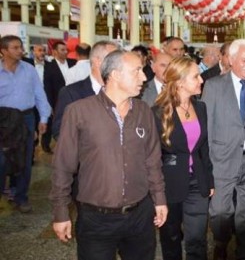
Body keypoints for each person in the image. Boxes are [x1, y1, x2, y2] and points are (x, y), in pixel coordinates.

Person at [50, 50, 168, 260]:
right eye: (137, 71)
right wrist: (60, 212)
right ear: (115, 74)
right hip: (96, 219)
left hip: (140, 215)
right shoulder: (79, 111)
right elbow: (63, 166)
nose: (144, 77)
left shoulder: (143, 111)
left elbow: (152, 161)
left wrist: (159, 199)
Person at [201, 39, 245, 260]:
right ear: (230, 60)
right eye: (244, 60)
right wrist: (208, 159)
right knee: (221, 210)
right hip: (221, 158)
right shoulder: (213, 86)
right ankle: (221, 242)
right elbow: (207, 125)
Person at [152, 57, 215, 260]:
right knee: (170, 239)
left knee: (197, 239)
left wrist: (209, 179)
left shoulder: (201, 107)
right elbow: (153, 156)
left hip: (197, 182)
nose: (201, 80)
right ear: (179, 82)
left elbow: (203, 148)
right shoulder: (158, 113)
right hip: (169, 183)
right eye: (195, 76)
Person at [0, 35, 51, 213]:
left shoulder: (29, 70)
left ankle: (21, 197)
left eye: (20, 47)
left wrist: (43, 118)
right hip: (3, 120)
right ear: (4, 51)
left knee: (24, 159)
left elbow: (39, 94)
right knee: (2, 160)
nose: (20, 50)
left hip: (25, 119)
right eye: (15, 48)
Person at [52, 41, 118, 138]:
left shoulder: (120, 92)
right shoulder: (70, 93)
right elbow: (59, 131)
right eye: (114, 60)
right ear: (98, 62)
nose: (120, 65)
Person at [43, 40, 76, 153]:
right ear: (55, 52)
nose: (65, 52)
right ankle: (46, 143)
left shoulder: (73, 63)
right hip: (56, 100)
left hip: (73, 99)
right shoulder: (49, 66)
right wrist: (50, 104)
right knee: (55, 122)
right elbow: (47, 87)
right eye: (62, 50)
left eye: (66, 49)